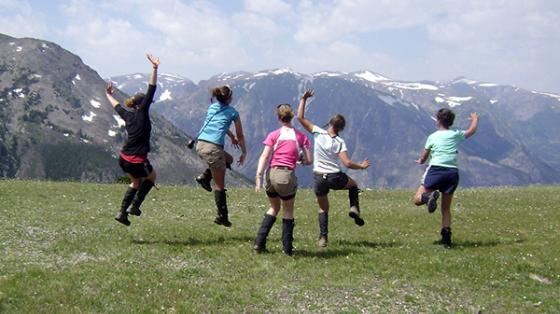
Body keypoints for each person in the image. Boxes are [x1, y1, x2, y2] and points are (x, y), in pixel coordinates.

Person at [297, 90, 370, 247]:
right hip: (335, 177)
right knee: (353, 185)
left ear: (330, 123)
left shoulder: (318, 132)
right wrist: (362, 166)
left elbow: (300, 118)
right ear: (341, 128)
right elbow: (348, 163)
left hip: (319, 177)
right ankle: (354, 208)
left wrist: (303, 99)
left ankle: (323, 238)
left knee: (323, 208)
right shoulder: (339, 142)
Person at [105, 54, 160, 226]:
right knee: (151, 178)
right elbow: (151, 88)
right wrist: (154, 68)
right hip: (137, 159)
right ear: (142, 104)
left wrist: (107, 94)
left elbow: (116, 106)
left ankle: (122, 213)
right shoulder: (142, 113)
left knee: (135, 182)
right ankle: (134, 206)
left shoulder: (128, 115)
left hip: (124, 159)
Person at [414, 108, 479, 248]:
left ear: (438, 120)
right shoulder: (455, 134)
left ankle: (427, 198)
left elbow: (425, 156)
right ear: (451, 122)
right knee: (445, 208)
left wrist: (420, 160)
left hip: (436, 170)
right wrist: (475, 120)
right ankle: (446, 238)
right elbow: (471, 131)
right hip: (452, 173)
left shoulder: (432, 137)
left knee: (417, 198)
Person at [254, 104, 312, 255]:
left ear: (278, 118)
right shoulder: (301, 137)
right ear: (291, 117)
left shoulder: (274, 135)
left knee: (274, 207)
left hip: (270, 174)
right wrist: (301, 161)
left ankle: (259, 243)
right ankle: (287, 249)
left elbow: (265, 156)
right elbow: (309, 160)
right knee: (288, 210)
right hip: (285, 175)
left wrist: (258, 176)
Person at [194, 86, 247, 227]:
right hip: (213, 148)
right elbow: (241, 135)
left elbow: (218, 122)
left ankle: (204, 178)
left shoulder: (212, 108)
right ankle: (222, 216)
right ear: (229, 98)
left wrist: (230, 136)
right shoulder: (233, 113)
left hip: (200, 144)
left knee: (228, 159)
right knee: (219, 185)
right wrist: (244, 152)